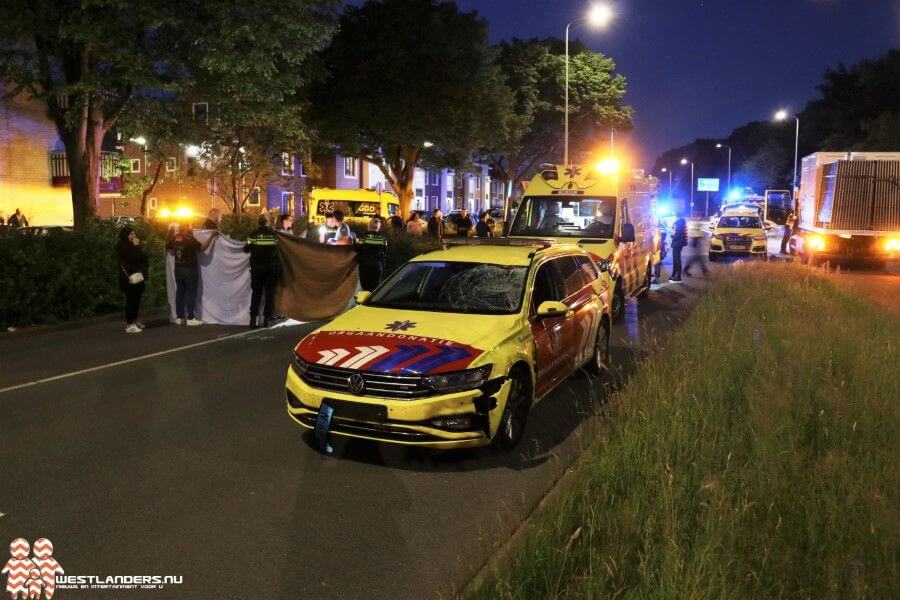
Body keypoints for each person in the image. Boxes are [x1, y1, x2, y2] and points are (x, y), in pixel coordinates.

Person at [166, 222, 218, 325]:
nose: (191, 228)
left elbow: (168, 246)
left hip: (178, 269)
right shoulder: (189, 239)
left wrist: (171, 233)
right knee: (191, 293)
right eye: (189, 226)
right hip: (189, 269)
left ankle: (179, 317)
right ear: (185, 227)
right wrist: (212, 236)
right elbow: (203, 248)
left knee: (179, 293)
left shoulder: (176, 238)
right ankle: (190, 318)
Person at [244, 213, 280, 328]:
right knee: (269, 294)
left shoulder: (253, 234)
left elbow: (246, 249)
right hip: (270, 268)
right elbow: (276, 247)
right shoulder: (273, 233)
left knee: (256, 294)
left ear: (258, 222)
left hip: (256, 268)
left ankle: (253, 320)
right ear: (267, 222)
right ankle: (266, 320)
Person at [116, 226, 149, 334]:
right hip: (129, 277)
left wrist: (137, 247)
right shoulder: (122, 246)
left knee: (137, 300)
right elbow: (134, 258)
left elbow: (144, 258)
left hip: (138, 276)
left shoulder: (133, 246)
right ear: (126, 235)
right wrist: (136, 247)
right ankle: (130, 324)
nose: (133, 236)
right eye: (131, 234)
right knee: (131, 300)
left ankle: (135, 320)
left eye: (134, 234)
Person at [356, 218, 389, 291]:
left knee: (365, 286)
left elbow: (358, 248)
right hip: (377, 264)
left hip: (365, 264)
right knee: (375, 287)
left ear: (369, 226)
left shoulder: (364, 236)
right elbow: (385, 250)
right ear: (378, 227)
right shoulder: (383, 238)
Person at [670, 213, 687, 282]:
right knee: (675, 259)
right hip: (678, 243)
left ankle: (678, 276)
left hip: (677, 243)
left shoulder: (680, 223)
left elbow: (678, 234)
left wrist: (673, 236)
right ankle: (674, 274)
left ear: (677, 216)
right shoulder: (681, 222)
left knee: (677, 260)